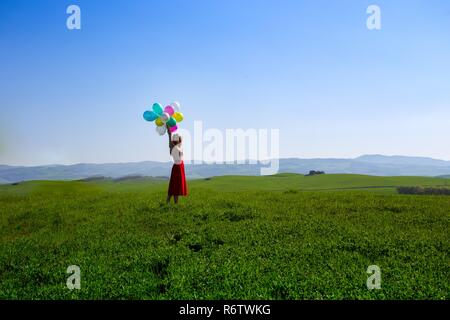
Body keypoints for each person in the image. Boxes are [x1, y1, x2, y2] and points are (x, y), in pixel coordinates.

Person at [166, 125, 188, 204]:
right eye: (178, 138)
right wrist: (169, 133)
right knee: (175, 185)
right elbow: (170, 142)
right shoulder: (173, 147)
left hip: (180, 167)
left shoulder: (178, 146)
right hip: (177, 167)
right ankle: (174, 203)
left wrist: (171, 133)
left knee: (176, 185)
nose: (180, 139)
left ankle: (168, 202)